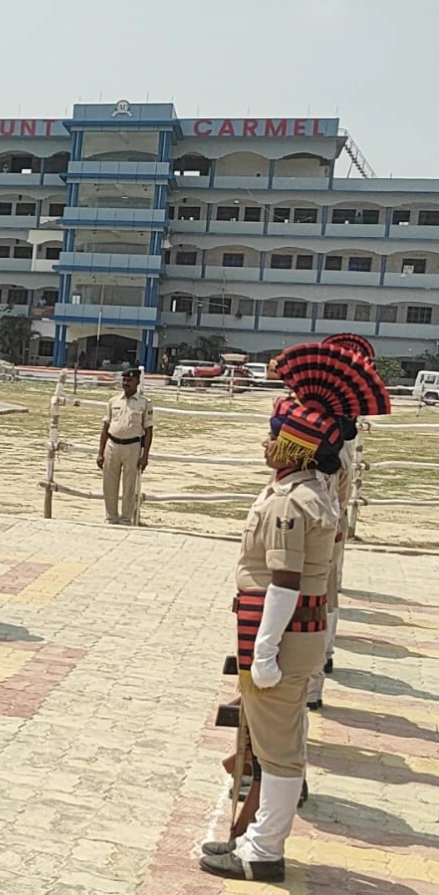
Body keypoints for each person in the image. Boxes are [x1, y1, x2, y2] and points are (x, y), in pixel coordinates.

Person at [199, 339, 389, 882]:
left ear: (294, 446)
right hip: (294, 633)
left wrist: (263, 651)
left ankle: (263, 852)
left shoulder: (290, 500)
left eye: (274, 434)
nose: (266, 442)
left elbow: (284, 580)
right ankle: (258, 840)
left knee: (278, 751)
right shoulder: (304, 491)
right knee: (280, 740)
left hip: (281, 636)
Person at [309, 333, 373, 708]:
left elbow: (342, 494)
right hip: (325, 522)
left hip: (325, 524)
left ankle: (323, 658)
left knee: (322, 591)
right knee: (323, 591)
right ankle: (323, 656)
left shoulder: (336, 448)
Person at [97, 367, 154, 525]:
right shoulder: (113, 401)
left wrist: (145, 456)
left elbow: (149, 431)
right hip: (112, 445)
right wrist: (100, 452)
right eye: (124, 380)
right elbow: (105, 427)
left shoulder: (144, 404)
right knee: (109, 484)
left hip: (132, 446)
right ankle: (111, 517)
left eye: (130, 380)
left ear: (137, 382)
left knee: (129, 485)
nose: (126, 383)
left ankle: (126, 519)